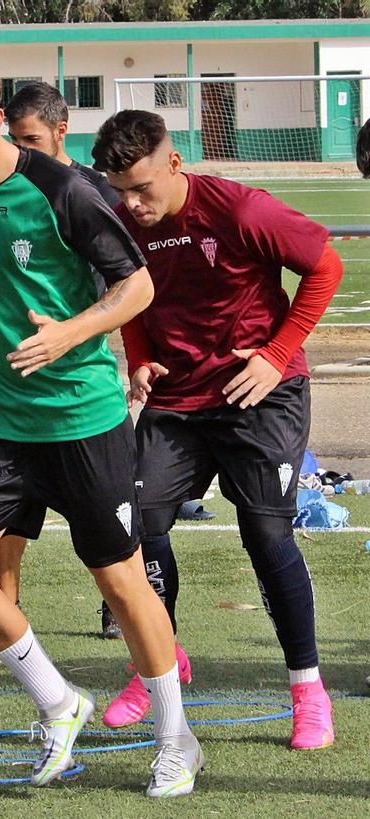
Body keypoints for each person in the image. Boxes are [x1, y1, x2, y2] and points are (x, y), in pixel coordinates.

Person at [0, 57, 200, 797]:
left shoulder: (65, 191)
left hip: (81, 417)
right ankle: (60, 703)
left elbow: (138, 285)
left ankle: (175, 738)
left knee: (120, 579)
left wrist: (69, 333)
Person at [93, 110, 342, 750]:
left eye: (142, 187)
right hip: (178, 397)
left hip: (258, 391)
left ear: (175, 163)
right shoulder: (122, 221)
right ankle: (160, 663)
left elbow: (325, 266)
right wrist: (139, 355)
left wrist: (277, 354)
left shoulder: (240, 210)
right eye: (119, 190)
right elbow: (131, 292)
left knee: (265, 533)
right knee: (134, 522)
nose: (131, 203)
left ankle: (307, 689)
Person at [0, 81, 132, 641]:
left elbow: (129, 281)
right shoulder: (2, 183)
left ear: (61, 130)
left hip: (83, 371)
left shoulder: (91, 190)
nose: (20, 149)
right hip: (20, 367)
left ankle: (116, 607)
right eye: (14, 138)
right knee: (13, 503)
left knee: (97, 507)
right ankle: (5, 608)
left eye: (30, 139)